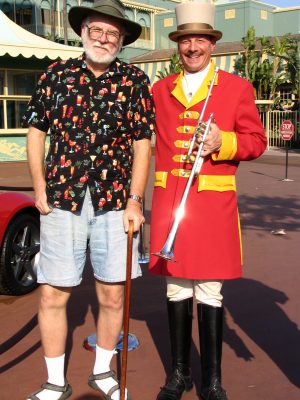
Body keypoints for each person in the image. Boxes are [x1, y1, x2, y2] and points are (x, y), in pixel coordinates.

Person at [22, 1, 155, 399]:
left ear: (122, 40)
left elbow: (142, 144)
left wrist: (135, 200)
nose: (104, 39)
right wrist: (39, 186)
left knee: (112, 293)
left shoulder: (133, 80)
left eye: (113, 34)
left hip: (115, 201)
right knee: (52, 292)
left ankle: (101, 372)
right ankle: (54, 382)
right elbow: (35, 132)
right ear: (83, 32)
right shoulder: (55, 75)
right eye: (97, 30)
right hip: (63, 197)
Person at [149, 1, 267, 400]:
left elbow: (257, 141)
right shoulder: (159, 90)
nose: (192, 47)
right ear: (178, 46)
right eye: (186, 40)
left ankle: (213, 381)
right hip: (172, 203)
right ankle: (179, 375)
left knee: (210, 290)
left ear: (212, 45)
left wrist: (223, 141)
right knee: (176, 288)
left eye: (200, 39)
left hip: (213, 205)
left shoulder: (236, 88)